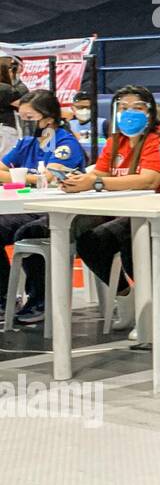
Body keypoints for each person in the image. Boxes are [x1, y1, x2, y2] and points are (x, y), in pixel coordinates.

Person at [61, 85, 160, 331]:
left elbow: (149, 180)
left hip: (156, 214)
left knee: (125, 241)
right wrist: (79, 181)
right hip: (121, 210)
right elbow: (99, 173)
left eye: (137, 108)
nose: (129, 113)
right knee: (83, 232)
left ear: (151, 112)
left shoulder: (159, 139)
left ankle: (151, 315)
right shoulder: (116, 141)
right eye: (123, 108)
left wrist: (96, 182)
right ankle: (126, 296)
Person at [0, 89, 87, 324]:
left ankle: (40, 299)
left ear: (48, 118)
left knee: (28, 233)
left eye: (30, 118)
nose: (25, 123)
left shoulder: (65, 143)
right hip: (24, 206)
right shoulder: (26, 142)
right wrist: (18, 176)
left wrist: (15, 176)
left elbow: (48, 177)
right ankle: (4, 297)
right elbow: (3, 167)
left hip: (56, 210)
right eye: (22, 117)